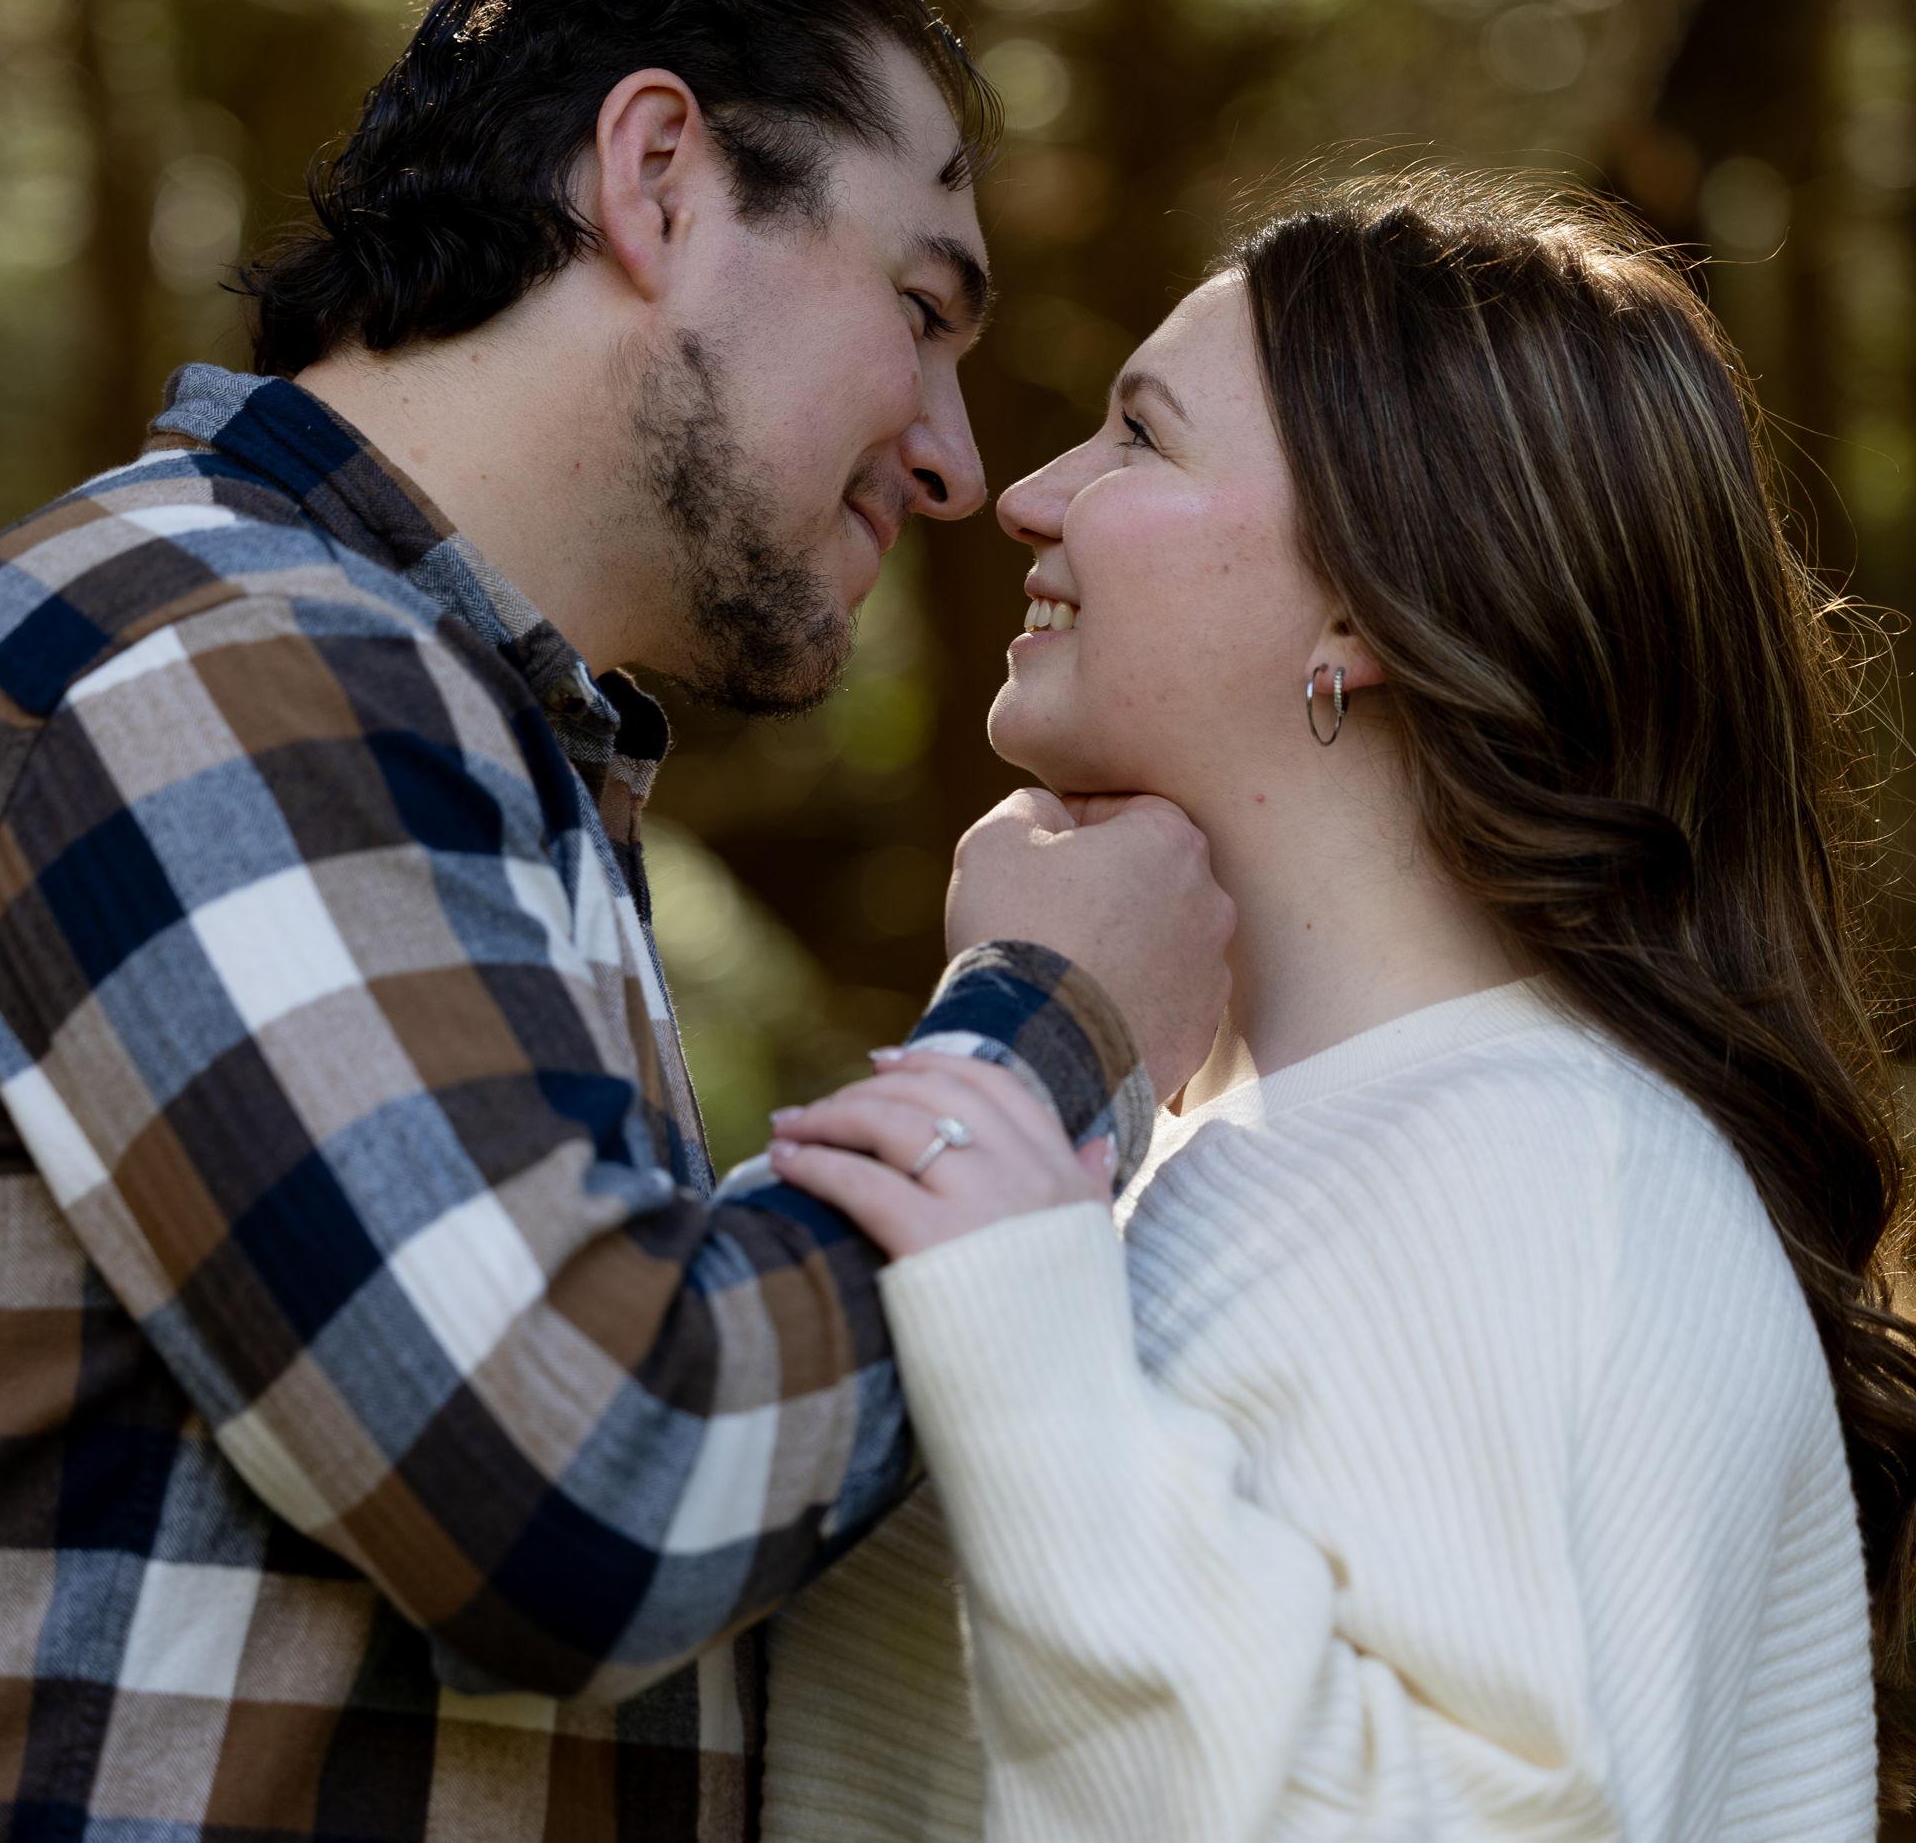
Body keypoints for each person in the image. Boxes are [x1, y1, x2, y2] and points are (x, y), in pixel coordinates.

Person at [0, 0, 1237, 1842]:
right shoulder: (217, 663)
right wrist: (1049, 1023)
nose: (951, 456)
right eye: (920, 311)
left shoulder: (410, 706)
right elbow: (596, 1485)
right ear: (659, 177)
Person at [752, 168, 1910, 1839]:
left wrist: (1025, 1336)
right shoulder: (1157, 1162)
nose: (1028, 496)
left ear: (1367, 593)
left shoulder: (1551, 1180)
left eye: (1140, 437)